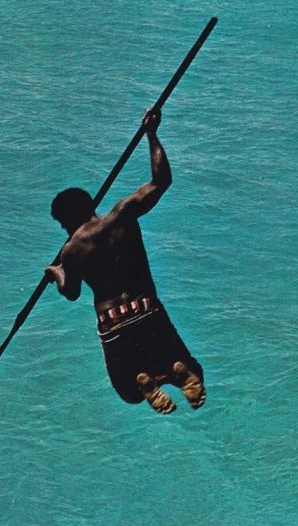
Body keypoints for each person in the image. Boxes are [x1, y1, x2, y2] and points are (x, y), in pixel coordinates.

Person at [44, 109, 205, 415]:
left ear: (66, 221)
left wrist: (56, 273)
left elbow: (72, 292)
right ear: (90, 205)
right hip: (145, 307)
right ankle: (174, 369)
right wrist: (151, 134)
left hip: (112, 321)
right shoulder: (123, 215)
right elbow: (162, 180)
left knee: (129, 393)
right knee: (191, 367)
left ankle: (143, 383)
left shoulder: (71, 251)